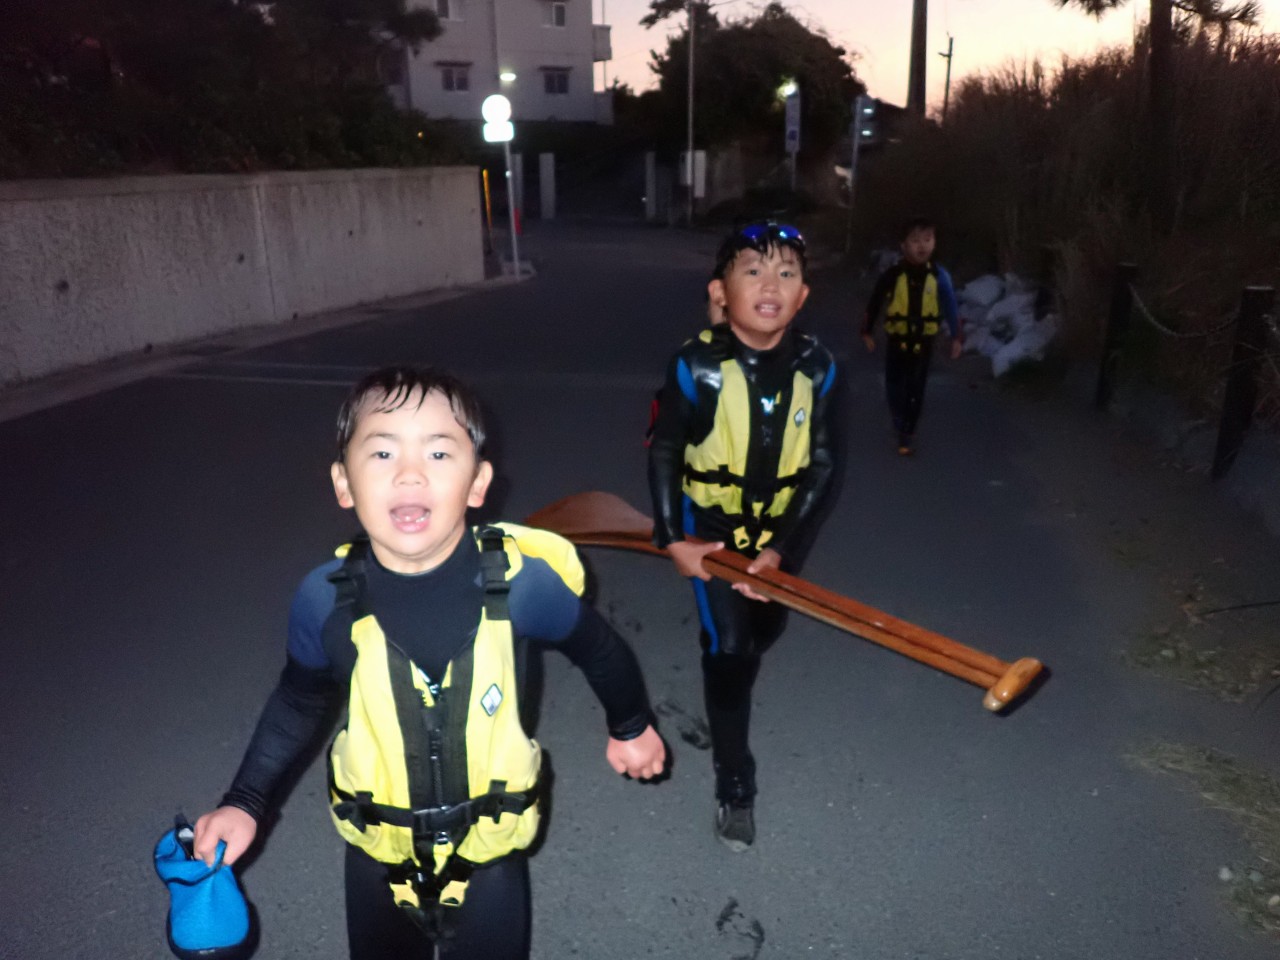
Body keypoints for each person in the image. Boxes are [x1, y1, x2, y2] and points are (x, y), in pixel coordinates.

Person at [191, 367, 665, 960]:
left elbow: (599, 648)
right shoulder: (323, 600)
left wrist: (630, 724)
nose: (410, 472)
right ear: (343, 484)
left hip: (488, 854)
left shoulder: (524, 588)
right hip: (377, 855)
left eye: (439, 453)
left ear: (477, 483)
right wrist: (245, 801)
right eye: (382, 452)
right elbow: (298, 700)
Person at [647, 221, 838, 851]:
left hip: (777, 530)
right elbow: (665, 450)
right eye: (752, 271)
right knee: (730, 649)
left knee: (761, 632)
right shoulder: (695, 365)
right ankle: (735, 783)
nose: (770, 285)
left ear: (803, 296)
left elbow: (822, 465)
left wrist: (781, 549)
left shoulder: (819, 369)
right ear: (720, 292)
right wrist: (673, 537)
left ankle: (732, 653)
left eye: (786, 273)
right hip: (712, 527)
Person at [861, 216, 963, 455]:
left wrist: (956, 337)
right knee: (895, 385)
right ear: (903, 245)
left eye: (928, 240)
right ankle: (899, 419)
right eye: (915, 240)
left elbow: (950, 307)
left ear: (935, 243)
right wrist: (866, 331)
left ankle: (907, 432)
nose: (922, 246)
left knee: (916, 386)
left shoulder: (939, 276)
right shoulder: (892, 275)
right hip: (897, 340)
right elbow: (875, 303)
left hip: (924, 341)